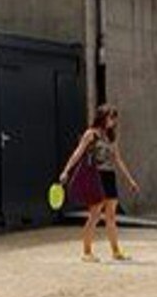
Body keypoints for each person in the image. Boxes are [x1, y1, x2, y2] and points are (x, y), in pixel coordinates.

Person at [59, 104, 141, 262]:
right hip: (96, 177)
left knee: (111, 216)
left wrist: (130, 180)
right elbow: (78, 153)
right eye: (111, 117)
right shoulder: (91, 134)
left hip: (110, 176)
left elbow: (117, 159)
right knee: (95, 214)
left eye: (115, 118)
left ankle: (116, 252)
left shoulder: (111, 137)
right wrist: (66, 170)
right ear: (102, 117)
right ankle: (87, 252)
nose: (113, 121)